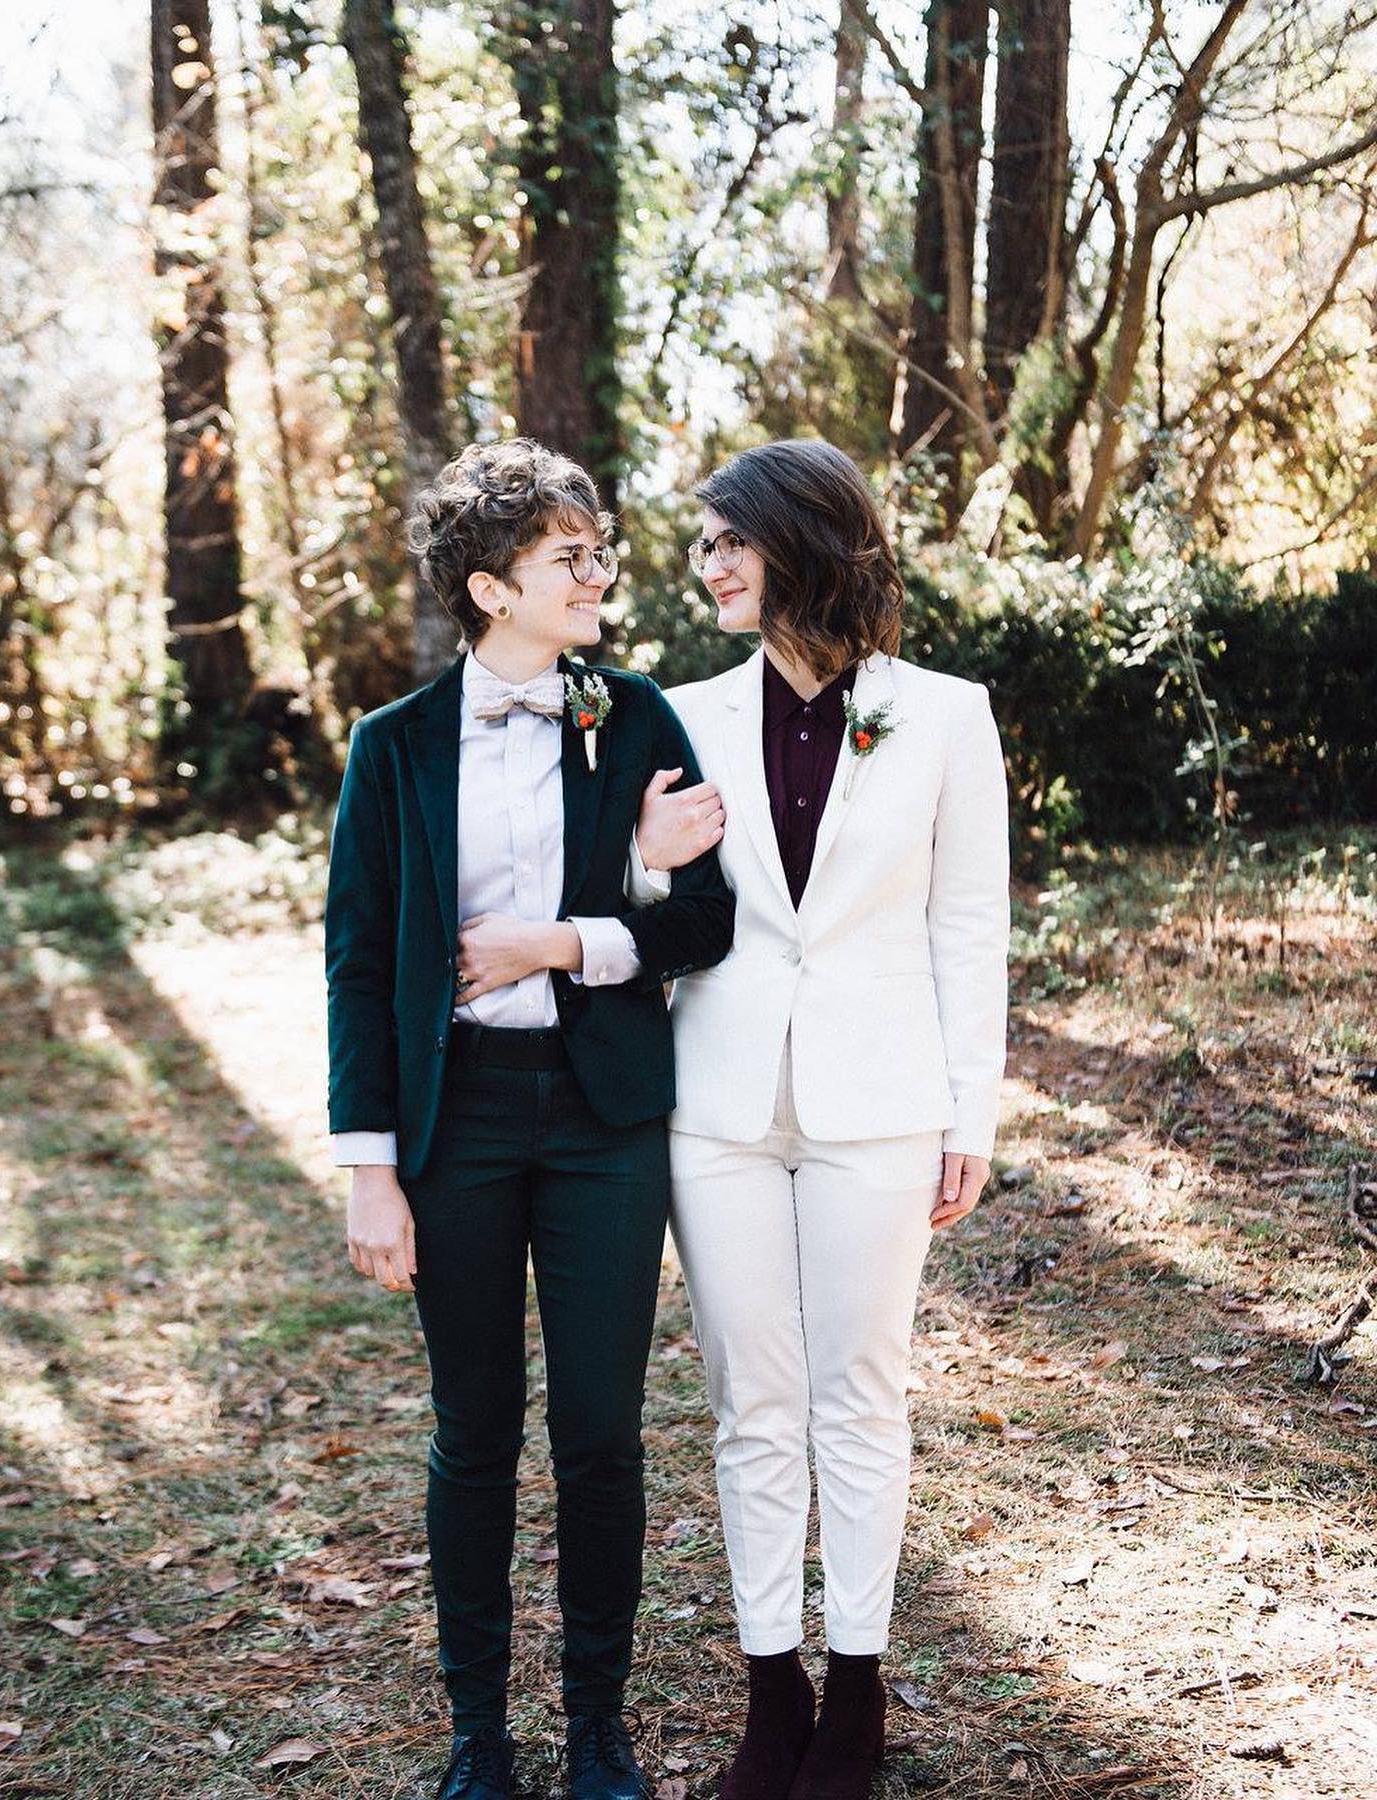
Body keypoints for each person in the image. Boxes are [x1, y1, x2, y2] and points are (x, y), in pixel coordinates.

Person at [325, 439, 735, 1800]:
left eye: (597, 550)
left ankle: (600, 1731)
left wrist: (562, 942)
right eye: (574, 558)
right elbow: (359, 967)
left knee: (603, 1429)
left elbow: (707, 919)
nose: (600, 574)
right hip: (458, 1127)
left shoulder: (637, 718)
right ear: (494, 589)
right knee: (475, 1428)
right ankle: (477, 1741)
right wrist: (368, 1172)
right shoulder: (388, 753)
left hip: (605, 1115)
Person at [630, 439, 1009, 1800]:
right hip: (718, 1104)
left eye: (728, 541)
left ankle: (856, 1692)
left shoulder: (949, 715)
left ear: (801, 543)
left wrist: (974, 1110)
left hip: (885, 1099)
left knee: (860, 1392)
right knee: (749, 1398)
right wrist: (639, 858)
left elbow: (970, 926)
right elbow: (648, 909)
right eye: (706, 545)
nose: (707, 566)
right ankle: (764, 1688)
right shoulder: (678, 715)